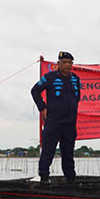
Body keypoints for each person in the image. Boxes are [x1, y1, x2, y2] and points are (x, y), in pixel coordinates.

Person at [31, 51, 81, 183]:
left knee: (68, 153)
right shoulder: (50, 77)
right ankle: (43, 178)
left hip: (70, 122)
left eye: (70, 62)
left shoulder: (75, 78)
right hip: (54, 121)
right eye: (64, 62)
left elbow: (77, 98)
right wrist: (42, 107)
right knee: (48, 151)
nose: (67, 65)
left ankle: (70, 180)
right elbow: (34, 91)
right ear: (58, 64)